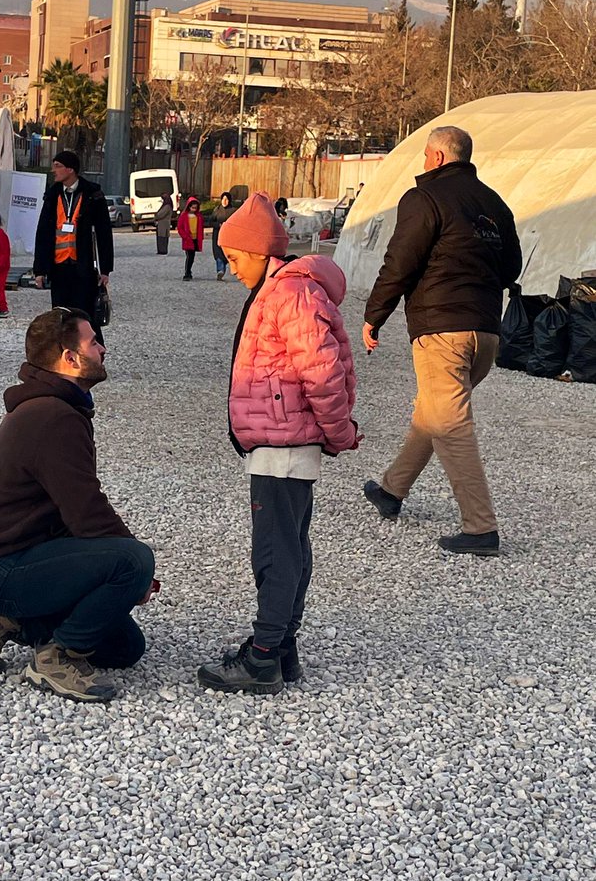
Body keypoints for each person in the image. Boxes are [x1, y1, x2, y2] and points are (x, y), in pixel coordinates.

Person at [0, 308, 157, 703]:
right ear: (69, 357)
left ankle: (5, 620)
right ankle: (54, 660)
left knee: (125, 647)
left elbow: (72, 512)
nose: (103, 349)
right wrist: (138, 572)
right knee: (133, 562)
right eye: (93, 341)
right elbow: (87, 512)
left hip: (5, 560)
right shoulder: (53, 416)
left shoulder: (57, 407)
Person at [197, 192, 360, 695]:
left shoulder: (289, 293)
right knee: (288, 545)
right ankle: (282, 646)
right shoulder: (282, 289)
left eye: (235, 257)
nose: (231, 266)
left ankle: (264, 655)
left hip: (284, 443)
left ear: (260, 252)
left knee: (275, 551)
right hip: (278, 439)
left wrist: (338, 432)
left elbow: (323, 372)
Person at [362, 126, 522, 557]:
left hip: (442, 331)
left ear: (434, 157)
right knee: (433, 411)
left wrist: (374, 315)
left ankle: (480, 527)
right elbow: (512, 268)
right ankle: (391, 491)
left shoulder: (424, 199)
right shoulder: (493, 203)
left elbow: (401, 262)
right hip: (486, 334)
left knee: (450, 424)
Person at [33, 150, 113, 333]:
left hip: (83, 267)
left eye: (57, 166)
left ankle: (92, 353)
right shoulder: (52, 195)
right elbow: (43, 234)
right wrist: (40, 270)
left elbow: (103, 232)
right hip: (59, 267)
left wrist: (105, 268)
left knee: (86, 316)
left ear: (70, 169)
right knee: (61, 316)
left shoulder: (93, 194)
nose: (53, 171)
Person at [177, 195, 204, 281]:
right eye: (192, 207)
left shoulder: (198, 216)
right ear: (189, 207)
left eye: (195, 208)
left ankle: (188, 271)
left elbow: (201, 227)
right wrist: (185, 236)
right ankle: (187, 272)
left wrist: (201, 237)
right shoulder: (184, 216)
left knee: (192, 257)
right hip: (188, 239)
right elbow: (180, 227)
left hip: (195, 239)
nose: (194, 209)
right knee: (189, 256)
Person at [211, 191, 234, 279]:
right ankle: (220, 270)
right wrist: (218, 225)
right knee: (218, 253)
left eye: (226, 199)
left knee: (226, 254)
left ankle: (223, 268)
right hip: (217, 235)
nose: (224, 201)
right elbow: (211, 221)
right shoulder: (216, 210)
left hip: (229, 236)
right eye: (223, 199)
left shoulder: (233, 211)